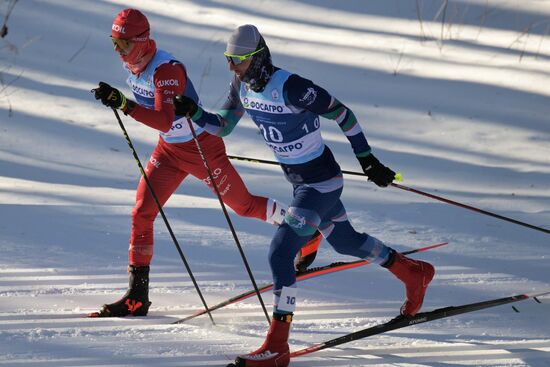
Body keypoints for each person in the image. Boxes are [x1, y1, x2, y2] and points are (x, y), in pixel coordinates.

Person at [173, 24, 436, 367]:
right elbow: (222, 125)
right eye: (228, 59)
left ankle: (277, 346)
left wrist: (368, 160)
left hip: (321, 182)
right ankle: (412, 272)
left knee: (280, 253)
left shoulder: (293, 87)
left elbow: (343, 114)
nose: (231, 68)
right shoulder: (242, 85)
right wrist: (195, 113)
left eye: (237, 60)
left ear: (257, 58)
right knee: (345, 242)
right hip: (300, 184)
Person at [90, 10, 321, 318]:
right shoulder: (136, 65)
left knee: (245, 206)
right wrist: (118, 101)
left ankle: (304, 229)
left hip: (202, 150)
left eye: (124, 44)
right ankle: (137, 296)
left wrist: (124, 104)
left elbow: (163, 118)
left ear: (143, 41)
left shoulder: (166, 71)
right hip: (170, 151)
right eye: (114, 44)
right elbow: (163, 127)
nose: (119, 52)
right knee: (142, 212)